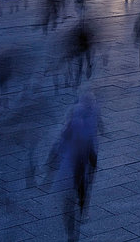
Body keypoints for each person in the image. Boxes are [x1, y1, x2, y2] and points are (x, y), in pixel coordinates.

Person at [49, 91, 100, 242]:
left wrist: (51, 162)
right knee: (79, 193)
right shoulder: (80, 122)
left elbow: (61, 141)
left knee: (73, 198)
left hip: (75, 166)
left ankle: (73, 228)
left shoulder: (78, 121)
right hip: (78, 165)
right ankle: (78, 219)